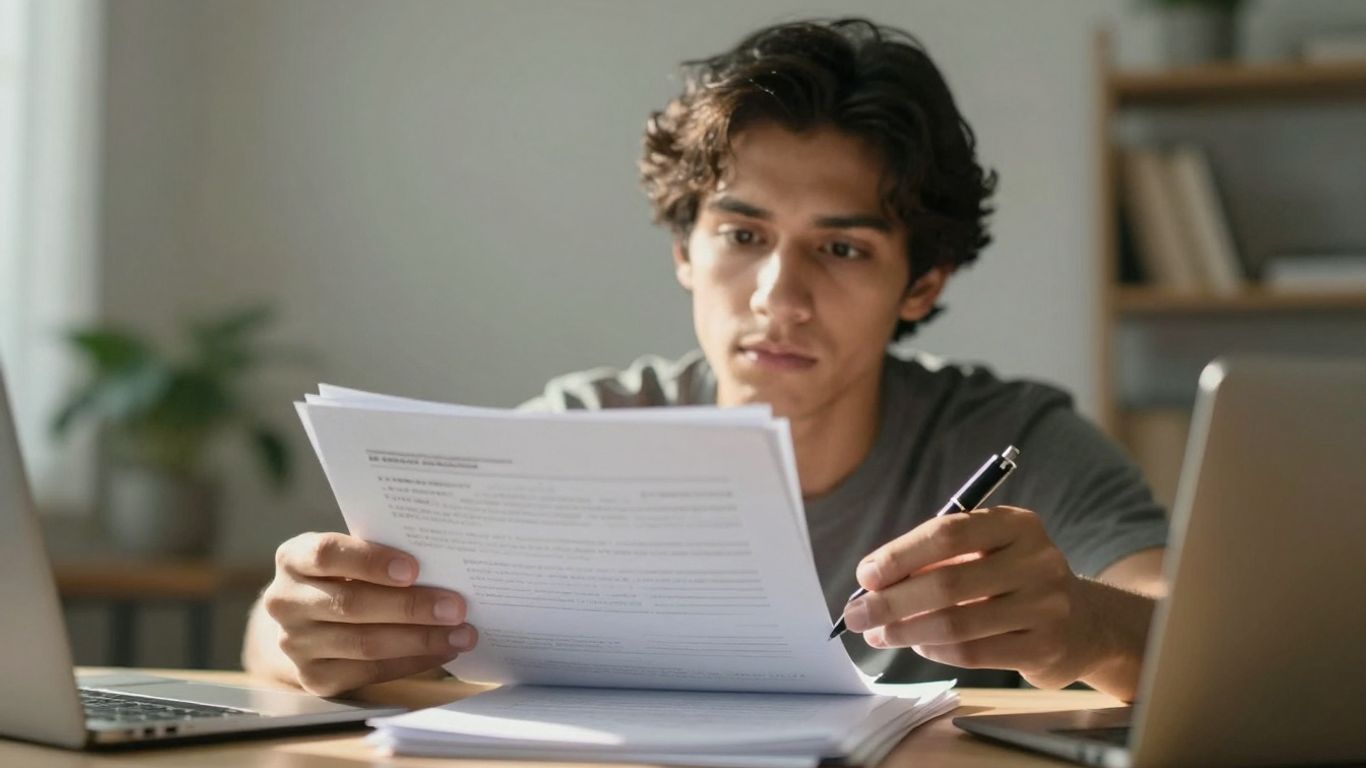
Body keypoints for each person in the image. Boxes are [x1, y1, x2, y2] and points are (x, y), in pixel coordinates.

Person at [243, 18, 1167, 702]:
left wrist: (1085, 627)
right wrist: (308, 631)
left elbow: (1196, 641)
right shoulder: (583, 431)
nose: (777, 296)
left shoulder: (1013, 438)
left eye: (841, 249)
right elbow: (274, 643)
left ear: (922, 282)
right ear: (685, 250)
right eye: (741, 234)